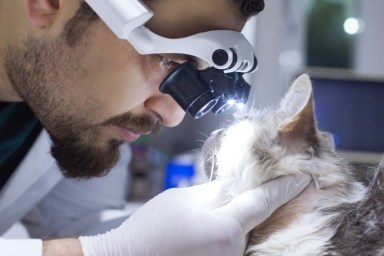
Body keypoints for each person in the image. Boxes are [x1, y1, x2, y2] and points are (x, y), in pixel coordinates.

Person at [0, 0, 311, 255]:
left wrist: (226, 229)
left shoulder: (73, 106)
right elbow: (97, 246)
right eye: (168, 61)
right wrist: (108, 251)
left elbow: (76, 224)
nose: (173, 116)